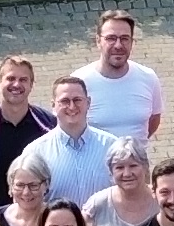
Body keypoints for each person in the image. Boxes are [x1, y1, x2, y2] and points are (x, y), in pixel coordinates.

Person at [73, 6, 168, 147]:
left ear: (132, 42)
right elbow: (68, 127)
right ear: (98, 41)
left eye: (124, 39)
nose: (118, 45)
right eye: (111, 38)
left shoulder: (148, 77)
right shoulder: (78, 83)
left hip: (137, 161)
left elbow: (154, 120)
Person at [24, 75, 119, 209]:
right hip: (56, 223)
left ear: (88, 103)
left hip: (102, 223)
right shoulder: (35, 152)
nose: (72, 106)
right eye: (65, 101)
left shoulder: (111, 146)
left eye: (77, 100)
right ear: (53, 106)